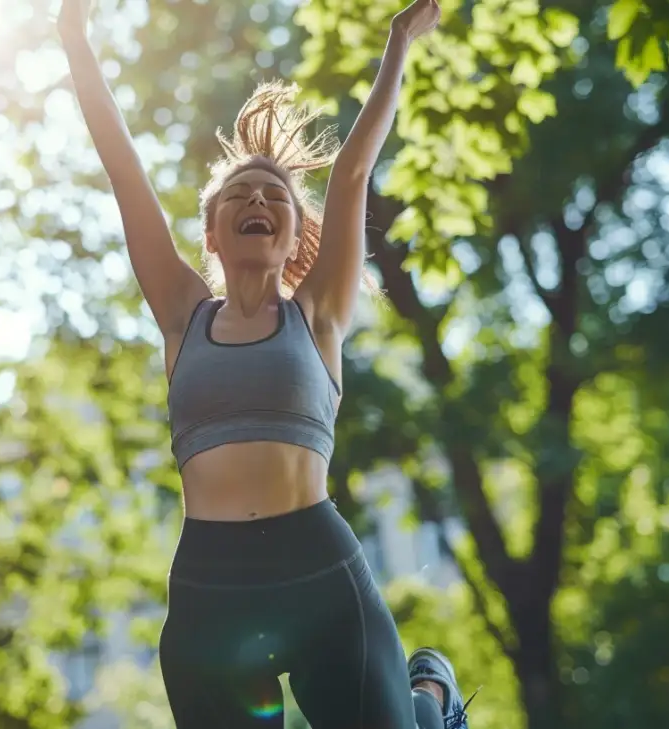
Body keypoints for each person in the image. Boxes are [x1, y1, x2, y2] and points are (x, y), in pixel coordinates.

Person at [59, 0, 474, 726]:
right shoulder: (183, 313)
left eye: (274, 194)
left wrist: (398, 43)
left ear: (290, 238)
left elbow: (351, 175)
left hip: (317, 570)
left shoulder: (316, 316)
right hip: (210, 594)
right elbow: (123, 167)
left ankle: (428, 696)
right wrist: (74, 37)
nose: (257, 198)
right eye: (238, 195)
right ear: (212, 235)